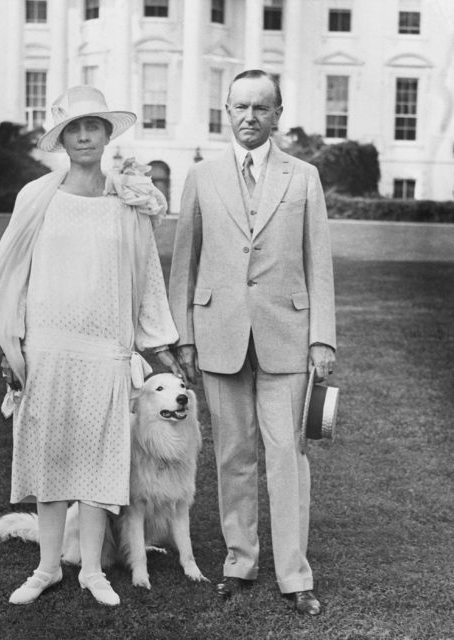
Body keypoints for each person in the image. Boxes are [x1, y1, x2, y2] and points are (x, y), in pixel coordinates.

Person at [0, 85, 182, 607]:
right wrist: (12, 346)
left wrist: (157, 342)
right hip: (47, 346)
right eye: (73, 128)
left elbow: (148, 275)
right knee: (50, 459)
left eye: (92, 125)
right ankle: (48, 567)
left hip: (105, 347)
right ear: (62, 138)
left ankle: (93, 571)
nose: (84, 135)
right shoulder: (37, 197)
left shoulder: (127, 199)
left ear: (107, 132)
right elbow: (11, 275)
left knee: (100, 462)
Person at [169, 70, 336, 615]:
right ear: (226, 110)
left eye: (261, 108)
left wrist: (322, 339)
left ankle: (295, 574)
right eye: (240, 107)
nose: (249, 117)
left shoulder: (303, 177)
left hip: (287, 335)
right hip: (217, 336)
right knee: (234, 455)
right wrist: (184, 338)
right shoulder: (201, 175)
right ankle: (239, 561)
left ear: (277, 114)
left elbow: (320, 263)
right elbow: (183, 266)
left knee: (289, 455)